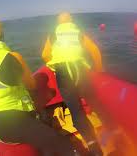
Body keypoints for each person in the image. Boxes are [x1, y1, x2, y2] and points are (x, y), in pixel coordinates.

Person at [0, 17, 78, 156]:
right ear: (1, 35)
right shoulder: (12, 57)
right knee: (63, 144)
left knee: (43, 137)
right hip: (12, 123)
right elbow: (31, 85)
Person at [41, 12, 104, 156]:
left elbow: (45, 55)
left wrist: (53, 65)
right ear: (71, 21)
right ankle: (111, 128)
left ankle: (94, 147)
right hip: (79, 68)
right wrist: (99, 71)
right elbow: (94, 50)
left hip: (63, 71)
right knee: (93, 99)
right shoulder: (78, 32)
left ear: (58, 23)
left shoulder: (53, 34)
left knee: (76, 111)